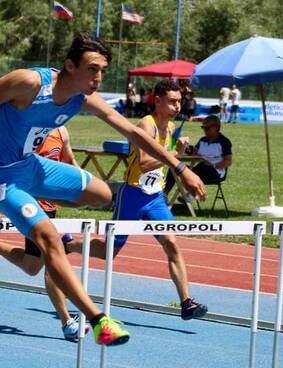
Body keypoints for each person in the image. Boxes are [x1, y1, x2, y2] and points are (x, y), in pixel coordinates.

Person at [0, 32, 207, 347]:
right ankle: (99, 321)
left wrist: (179, 168)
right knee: (49, 240)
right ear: (70, 65)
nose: (98, 78)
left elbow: (130, 130)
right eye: (92, 69)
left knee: (103, 196)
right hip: (0, 177)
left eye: (102, 71)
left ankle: (38, 215)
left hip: (31, 168)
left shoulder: (83, 98)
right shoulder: (29, 83)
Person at [65, 79, 208, 320]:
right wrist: (176, 155)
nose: (177, 106)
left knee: (171, 243)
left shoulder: (171, 127)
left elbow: (163, 164)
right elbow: (144, 163)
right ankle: (68, 245)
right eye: (172, 101)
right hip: (132, 195)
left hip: (155, 198)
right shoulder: (146, 124)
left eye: (179, 102)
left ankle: (186, 302)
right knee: (110, 251)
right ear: (158, 100)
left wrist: (178, 151)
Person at [0, 127, 91, 341]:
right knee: (54, 263)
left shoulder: (62, 132)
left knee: (31, 266)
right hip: (31, 208)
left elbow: (70, 163)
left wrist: (85, 186)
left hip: (50, 207)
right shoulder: (31, 130)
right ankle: (67, 322)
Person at [190, 114, 233, 184]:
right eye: (203, 128)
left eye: (207, 128)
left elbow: (228, 161)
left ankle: (191, 194)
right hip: (201, 169)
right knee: (176, 167)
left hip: (216, 172)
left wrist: (213, 165)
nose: (204, 130)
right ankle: (166, 193)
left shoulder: (224, 141)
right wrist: (188, 150)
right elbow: (194, 154)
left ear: (216, 127)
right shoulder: (202, 140)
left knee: (201, 167)